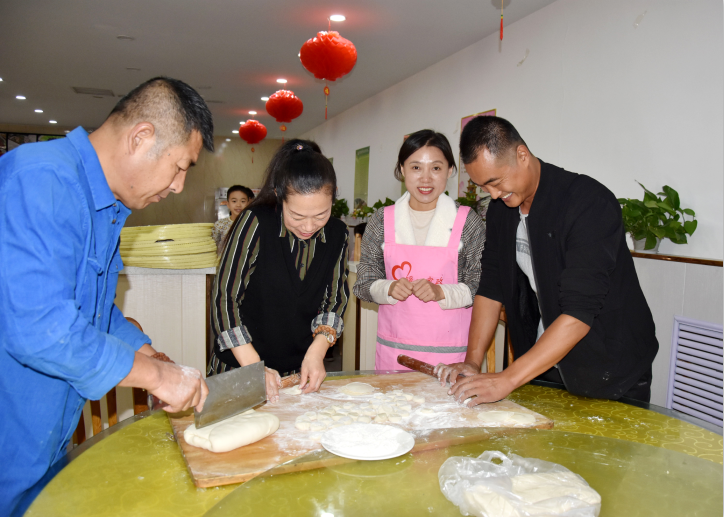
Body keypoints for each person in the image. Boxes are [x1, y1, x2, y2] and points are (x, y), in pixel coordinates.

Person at [0, 77, 213, 515]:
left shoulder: (108, 208)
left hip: (46, 444)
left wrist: (153, 357)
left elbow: (93, 311)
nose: (178, 186)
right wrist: (156, 378)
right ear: (141, 137)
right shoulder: (41, 179)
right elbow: (42, 330)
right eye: (180, 167)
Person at [436, 116, 659, 403]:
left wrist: (507, 379)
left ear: (522, 155)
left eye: (496, 182)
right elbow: (491, 288)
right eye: (483, 187)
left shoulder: (588, 203)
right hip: (545, 364)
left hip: (611, 368)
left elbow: (579, 313)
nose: (493, 194)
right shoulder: (502, 210)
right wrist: (472, 362)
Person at [209, 139, 349, 401]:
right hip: (241, 366)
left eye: (321, 215)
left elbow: (335, 299)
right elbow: (225, 297)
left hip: (298, 373)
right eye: (297, 216)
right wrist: (253, 366)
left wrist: (317, 351)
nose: (309, 226)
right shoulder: (256, 222)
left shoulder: (337, 233)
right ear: (278, 195)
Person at [354, 130, 486, 370]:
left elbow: (480, 287)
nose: (426, 179)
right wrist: (389, 288)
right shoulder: (382, 220)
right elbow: (363, 283)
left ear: (450, 170)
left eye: (436, 168)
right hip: (395, 352)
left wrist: (440, 292)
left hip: (451, 356)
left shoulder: (468, 222)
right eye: (416, 168)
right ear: (402, 170)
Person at [212, 185, 254, 254]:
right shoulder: (219, 225)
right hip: (223, 260)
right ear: (228, 204)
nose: (238, 205)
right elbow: (213, 247)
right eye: (234, 201)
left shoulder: (253, 224)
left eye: (243, 201)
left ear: (248, 204)